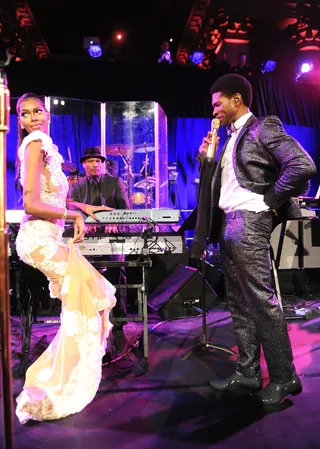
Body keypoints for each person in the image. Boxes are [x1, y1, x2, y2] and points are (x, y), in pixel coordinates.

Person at [192, 74, 316, 404]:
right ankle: (247, 373)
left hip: (249, 221)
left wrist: (269, 201)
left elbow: (302, 164)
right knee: (239, 303)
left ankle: (284, 376)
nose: (214, 109)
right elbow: (221, 185)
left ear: (237, 100)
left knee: (261, 300)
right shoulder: (226, 138)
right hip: (228, 224)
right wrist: (207, 158)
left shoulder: (262, 127)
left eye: (219, 103)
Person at [14, 93, 117, 424]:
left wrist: (82, 208)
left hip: (50, 238)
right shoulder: (33, 145)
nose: (33, 117)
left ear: (47, 114)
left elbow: (52, 196)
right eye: (25, 113)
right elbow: (30, 204)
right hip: (37, 240)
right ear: (19, 120)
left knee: (98, 293)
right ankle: (55, 384)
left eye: (38, 111)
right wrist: (73, 216)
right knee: (81, 305)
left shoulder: (46, 147)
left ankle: (68, 373)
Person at [68, 146, 130, 360]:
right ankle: (89, 324)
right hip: (86, 241)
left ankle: (119, 328)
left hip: (112, 240)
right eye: (90, 161)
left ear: (103, 164)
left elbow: (126, 212)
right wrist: (84, 223)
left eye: (98, 161)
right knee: (85, 282)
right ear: (84, 165)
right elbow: (70, 213)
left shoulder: (115, 183)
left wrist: (114, 223)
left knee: (116, 278)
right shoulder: (76, 189)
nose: (95, 165)